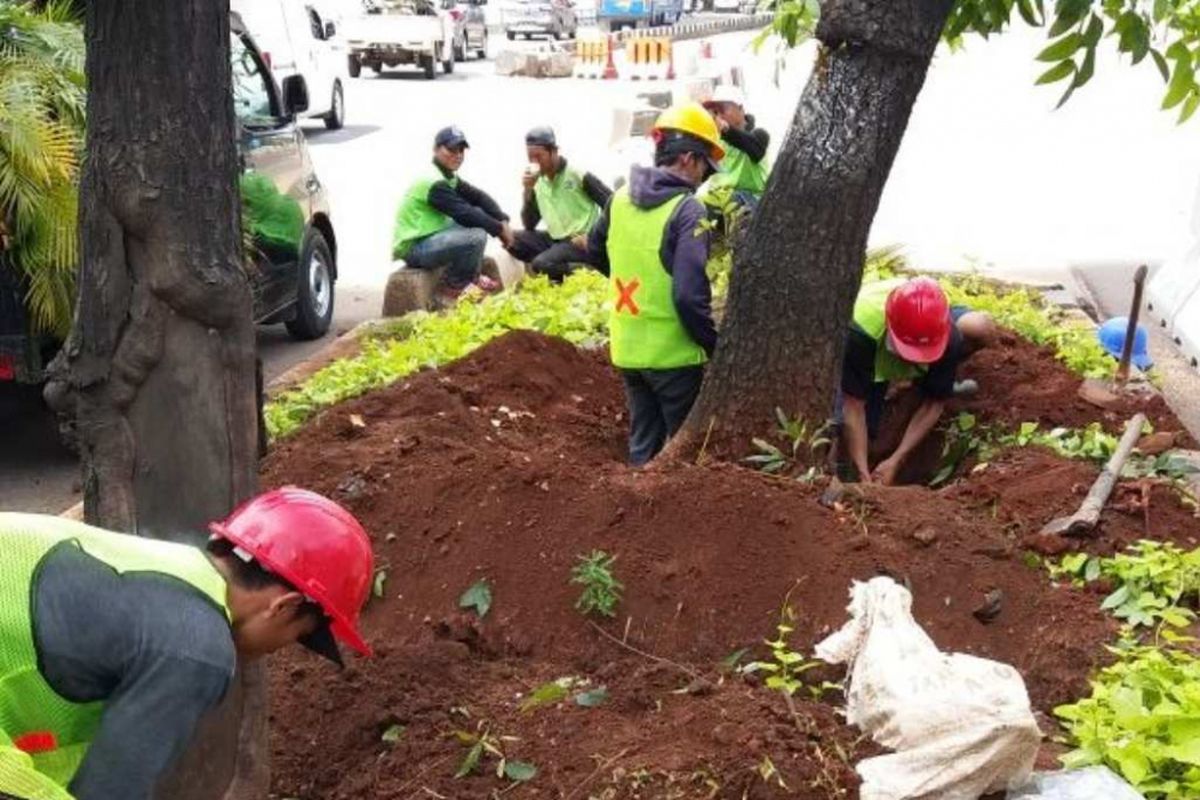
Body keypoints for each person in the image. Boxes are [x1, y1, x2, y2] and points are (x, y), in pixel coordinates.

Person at [0, 487, 374, 800]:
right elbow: (110, 791)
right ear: (284, 606)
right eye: (297, 636)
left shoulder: (164, 567)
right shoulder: (197, 648)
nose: (276, 651)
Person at [589, 102, 722, 466]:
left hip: (628, 349)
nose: (704, 179)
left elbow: (596, 250)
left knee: (643, 448)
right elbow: (688, 296)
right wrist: (713, 343)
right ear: (689, 160)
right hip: (674, 356)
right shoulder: (688, 210)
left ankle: (633, 517)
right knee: (679, 459)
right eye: (705, 169)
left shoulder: (618, 201)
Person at [840, 277, 995, 485]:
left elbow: (934, 403)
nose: (914, 359)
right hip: (871, 340)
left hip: (924, 324)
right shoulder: (859, 332)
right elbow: (853, 406)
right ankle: (891, 386)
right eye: (908, 353)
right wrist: (862, 474)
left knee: (978, 327)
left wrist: (896, 460)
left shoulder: (949, 338)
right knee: (850, 431)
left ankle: (941, 381)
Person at [392, 126, 513, 306]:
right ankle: (454, 287)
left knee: (479, 218)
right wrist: (499, 230)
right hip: (414, 247)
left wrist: (502, 219)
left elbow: (477, 197)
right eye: (451, 149)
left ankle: (471, 278)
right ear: (436, 149)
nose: (458, 155)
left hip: (431, 236)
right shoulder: (433, 182)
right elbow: (465, 213)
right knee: (476, 235)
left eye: (461, 150)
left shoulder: (447, 176)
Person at [506, 127, 612, 282]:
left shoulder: (576, 173)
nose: (534, 162)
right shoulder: (537, 181)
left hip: (580, 240)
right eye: (530, 157)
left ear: (553, 151)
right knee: (510, 239)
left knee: (541, 264)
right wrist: (528, 191)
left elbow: (611, 203)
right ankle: (561, 263)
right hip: (556, 238)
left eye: (538, 156)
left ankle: (589, 271)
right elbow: (529, 224)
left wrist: (594, 236)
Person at [701, 85, 770, 210]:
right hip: (719, 202)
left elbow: (753, 148)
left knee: (735, 197)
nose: (719, 116)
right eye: (715, 112)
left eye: (723, 109)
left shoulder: (759, 135)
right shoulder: (715, 142)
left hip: (751, 202)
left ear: (741, 109)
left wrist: (724, 129)